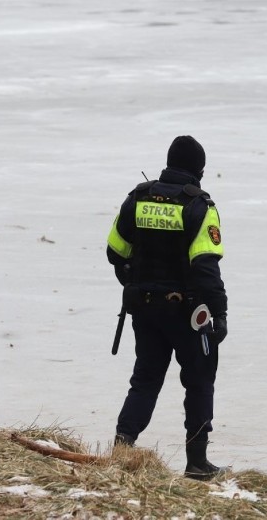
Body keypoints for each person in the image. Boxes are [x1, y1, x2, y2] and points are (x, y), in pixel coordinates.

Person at [106, 135, 229, 481]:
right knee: (200, 382)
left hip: (145, 310)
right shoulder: (200, 207)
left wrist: (135, 280)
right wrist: (219, 314)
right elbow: (206, 268)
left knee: (145, 379)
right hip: (189, 313)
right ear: (198, 171)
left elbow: (116, 253)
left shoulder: (137, 199)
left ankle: (122, 446)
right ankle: (197, 462)